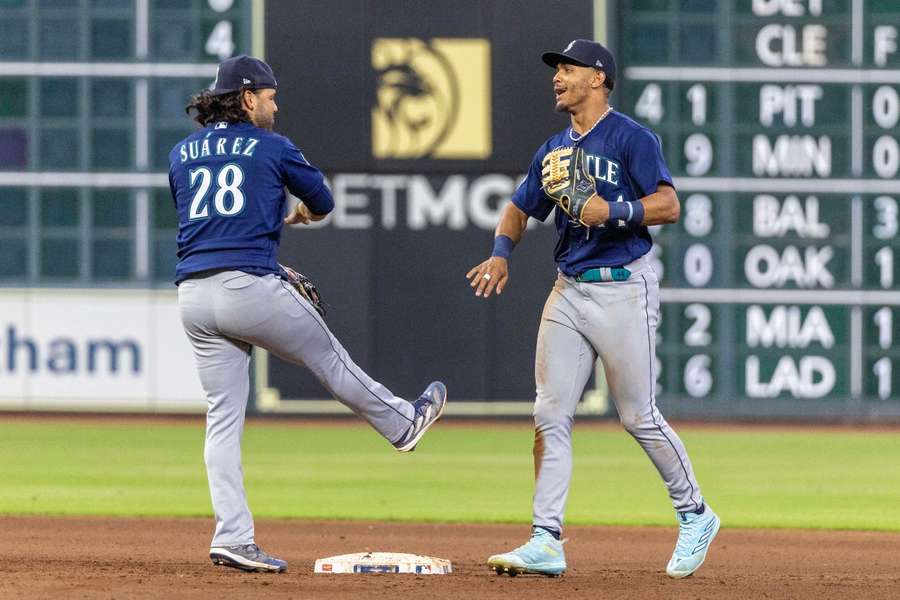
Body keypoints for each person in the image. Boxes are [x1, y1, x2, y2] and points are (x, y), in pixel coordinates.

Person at [170, 55, 447, 573]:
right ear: (248, 97)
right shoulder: (272, 145)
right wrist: (299, 217)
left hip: (193, 295)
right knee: (332, 362)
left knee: (222, 419)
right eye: (270, 96)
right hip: (248, 287)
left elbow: (209, 224)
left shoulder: (182, 151)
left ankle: (232, 536)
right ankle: (403, 423)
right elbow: (322, 200)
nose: (275, 104)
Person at [467, 39, 719, 579]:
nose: (557, 77)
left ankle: (696, 513)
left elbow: (669, 204)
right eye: (556, 70)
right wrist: (500, 253)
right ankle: (545, 538)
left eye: (568, 68)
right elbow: (517, 207)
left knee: (638, 417)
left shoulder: (632, 138)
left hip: (626, 286)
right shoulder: (554, 148)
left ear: (598, 78)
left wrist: (615, 210)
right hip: (569, 289)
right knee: (549, 412)